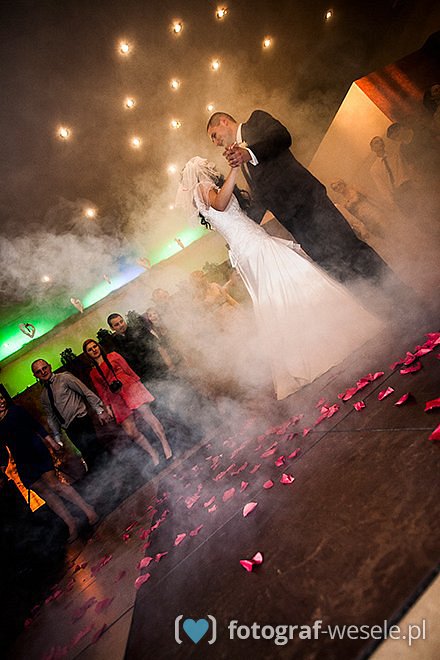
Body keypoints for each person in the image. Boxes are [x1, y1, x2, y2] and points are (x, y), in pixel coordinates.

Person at [176, 157, 383, 400]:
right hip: (252, 246)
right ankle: (322, 343)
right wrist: (234, 169)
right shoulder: (203, 188)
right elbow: (221, 204)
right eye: (207, 166)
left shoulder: (205, 192)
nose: (212, 168)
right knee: (292, 279)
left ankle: (309, 347)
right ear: (199, 173)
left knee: (280, 291)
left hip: (249, 244)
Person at [206, 111, 393, 287]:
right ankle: (372, 302)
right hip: (293, 222)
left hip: (310, 203)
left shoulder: (255, 120)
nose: (215, 142)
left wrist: (249, 153)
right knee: (331, 266)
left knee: (349, 248)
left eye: (214, 135)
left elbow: (282, 137)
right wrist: (241, 227)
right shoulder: (241, 161)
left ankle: (396, 291)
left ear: (224, 121)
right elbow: (262, 194)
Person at [0, 393, 98, 543]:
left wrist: (51, 442)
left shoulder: (16, 411)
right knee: (42, 491)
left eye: (1, 397)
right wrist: (2, 469)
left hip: (35, 450)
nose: (1, 401)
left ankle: (88, 509)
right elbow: (2, 450)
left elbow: (35, 426)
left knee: (55, 485)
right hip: (22, 460)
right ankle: (71, 522)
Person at [82, 340, 172, 464]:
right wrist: (107, 407)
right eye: (90, 349)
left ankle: (165, 444)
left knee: (148, 417)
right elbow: (101, 391)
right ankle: (153, 453)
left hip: (129, 386)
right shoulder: (93, 373)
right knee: (131, 431)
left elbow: (128, 370)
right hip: (114, 397)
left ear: (99, 346)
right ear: (87, 354)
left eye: (95, 346)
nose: (94, 350)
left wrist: (138, 385)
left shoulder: (113, 356)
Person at [31, 358, 112, 469]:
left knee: (94, 449)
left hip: (81, 420)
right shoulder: (44, 396)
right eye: (39, 371)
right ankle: (107, 474)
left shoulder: (64, 378)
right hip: (69, 429)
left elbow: (85, 392)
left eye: (44, 368)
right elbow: (51, 417)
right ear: (35, 375)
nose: (43, 372)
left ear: (50, 366)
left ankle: (115, 470)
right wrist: (57, 438)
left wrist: (100, 410)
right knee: (86, 452)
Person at [107, 312, 168, 383]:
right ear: (112, 328)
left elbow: (156, 344)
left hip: (157, 367)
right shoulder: (115, 343)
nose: (121, 325)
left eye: (121, 321)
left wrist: (167, 362)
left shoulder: (139, 329)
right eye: (117, 324)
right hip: (142, 376)